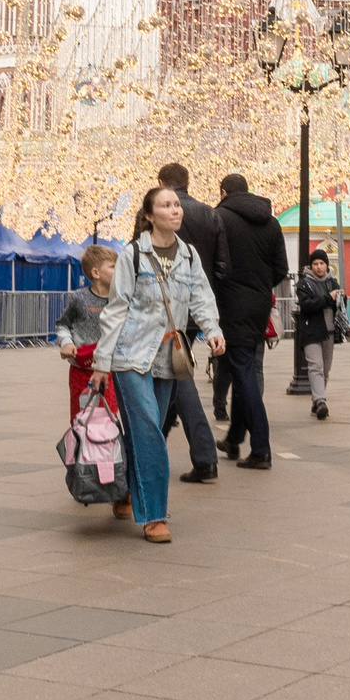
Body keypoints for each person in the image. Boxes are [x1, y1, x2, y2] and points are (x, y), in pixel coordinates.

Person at [93, 188, 224, 542]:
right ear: (150, 216)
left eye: (177, 205)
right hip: (130, 356)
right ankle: (154, 515)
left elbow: (201, 297)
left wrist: (212, 330)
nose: (175, 210)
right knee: (150, 429)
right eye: (166, 205)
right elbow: (116, 309)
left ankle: (125, 488)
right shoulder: (133, 255)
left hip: (169, 357)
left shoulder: (189, 255)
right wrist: (102, 362)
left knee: (143, 430)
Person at [212, 172, 291, 468]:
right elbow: (281, 269)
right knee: (241, 365)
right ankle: (234, 439)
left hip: (230, 303)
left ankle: (260, 448)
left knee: (243, 371)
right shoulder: (271, 221)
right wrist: (258, 286)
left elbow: (213, 262)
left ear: (223, 192)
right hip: (259, 304)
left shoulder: (219, 217)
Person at [157, 164, 235, 449]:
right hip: (197, 308)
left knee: (176, 375)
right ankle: (185, 447)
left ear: (161, 183)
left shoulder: (153, 212)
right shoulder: (209, 213)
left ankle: (200, 452)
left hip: (162, 310)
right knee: (176, 371)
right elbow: (223, 266)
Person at [58, 242, 116, 416]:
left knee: (107, 418)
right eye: (113, 266)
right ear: (96, 273)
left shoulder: (121, 299)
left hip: (110, 371)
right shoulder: (79, 298)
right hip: (81, 370)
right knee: (81, 417)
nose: (119, 271)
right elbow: (63, 324)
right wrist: (66, 343)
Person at [296, 248, 343, 420]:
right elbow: (307, 305)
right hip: (311, 331)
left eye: (322, 263)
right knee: (316, 366)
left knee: (326, 369)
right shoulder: (304, 284)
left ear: (327, 265)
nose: (319, 267)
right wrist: (329, 298)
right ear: (311, 266)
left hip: (329, 332)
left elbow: (338, 306)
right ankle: (321, 401)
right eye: (315, 264)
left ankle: (316, 401)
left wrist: (342, 298)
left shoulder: (332, 283)